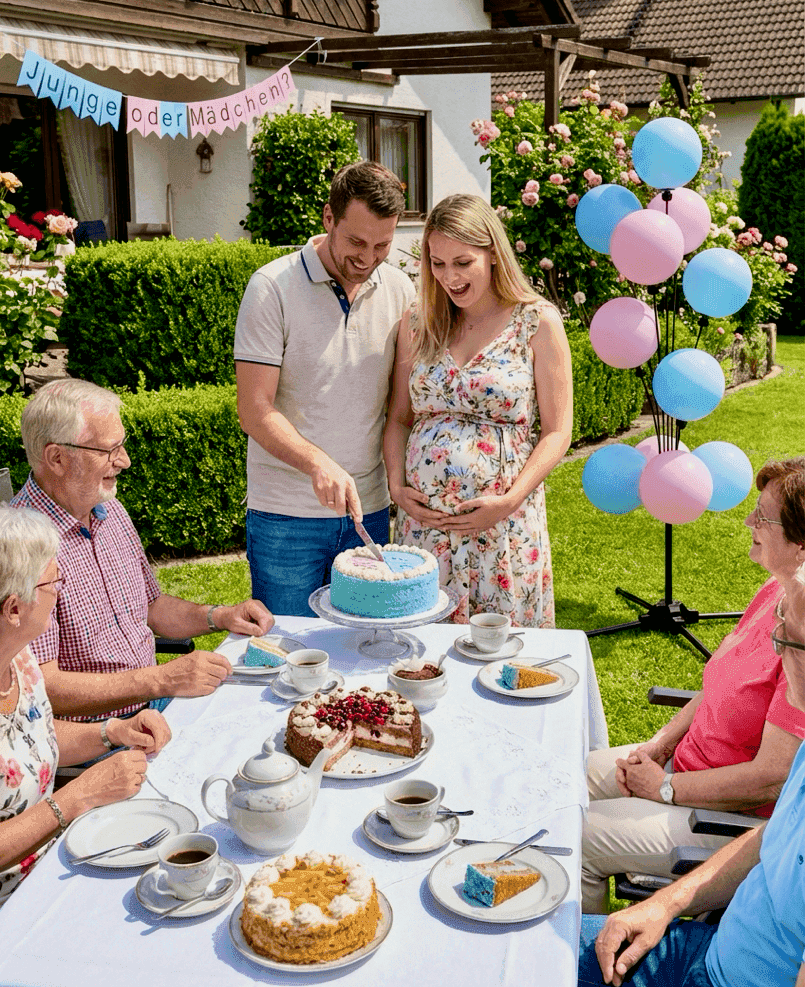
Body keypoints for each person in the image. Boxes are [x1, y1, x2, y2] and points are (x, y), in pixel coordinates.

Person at [582, 456, 805, 914]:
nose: (749, 521)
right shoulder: (774, 592)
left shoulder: (800, 642)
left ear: (802, 545)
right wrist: (659, 745)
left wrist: (663, 790)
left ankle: (579, 971)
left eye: (763, 516)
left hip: (724, 817)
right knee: (559, 779)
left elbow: (770, 779)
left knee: (578, 837)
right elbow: (717, 686)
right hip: (678, 770)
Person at [577, 555, 805, 987]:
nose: (774, 641)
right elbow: (773, 836)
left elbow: (764, 781)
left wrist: (664, 787)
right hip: (705, 949)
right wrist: (665, 905)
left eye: (788, 637)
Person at [11, 379, 274, 721]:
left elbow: (151, 606)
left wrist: (220, 616)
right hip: (99, 738)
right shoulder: (22, 549)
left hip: (155, 707)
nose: (126, 461)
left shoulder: (109, 510)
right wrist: (162, 679)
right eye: (109, 450)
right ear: (57, 458)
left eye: (122, 445)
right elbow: (41, 687)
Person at [383, 194, 573, 627]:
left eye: (462, 262)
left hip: (503, 527)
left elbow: (558, 432)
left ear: (492, 254)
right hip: (425, 528)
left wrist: (509, 500)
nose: (449, 277)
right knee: (421, 657)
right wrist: (396, 488)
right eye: (437, 263)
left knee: (501, 655)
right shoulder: (418, 322)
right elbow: (398, 417)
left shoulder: (537, 322)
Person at [235, 160, 414, 617]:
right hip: (284, 518)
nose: (367, 257)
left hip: (368, 513)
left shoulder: (399, 290)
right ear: (328, 218)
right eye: (356, 241)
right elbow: (255, 411)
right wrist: (318, 462)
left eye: (382, 245)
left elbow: (403, 406)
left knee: (363, 657)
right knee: (292, 656)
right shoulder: (271, 288)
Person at [0, 506, 171, 908]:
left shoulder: (19, 660)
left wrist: (113, 731)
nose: (60, 590)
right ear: (13, 608)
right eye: (52, 581)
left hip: (53, 866)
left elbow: (33, 735)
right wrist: (75, 798)